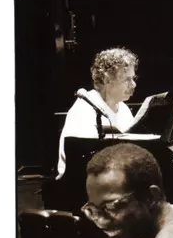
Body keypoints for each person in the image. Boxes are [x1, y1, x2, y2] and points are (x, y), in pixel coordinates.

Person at [56, 48, 138, 179]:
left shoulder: (123, 109)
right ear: (106, 80)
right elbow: (82, 162)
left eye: (133, 78)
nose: (133, 84)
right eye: (127, 80)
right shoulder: (84, 109)